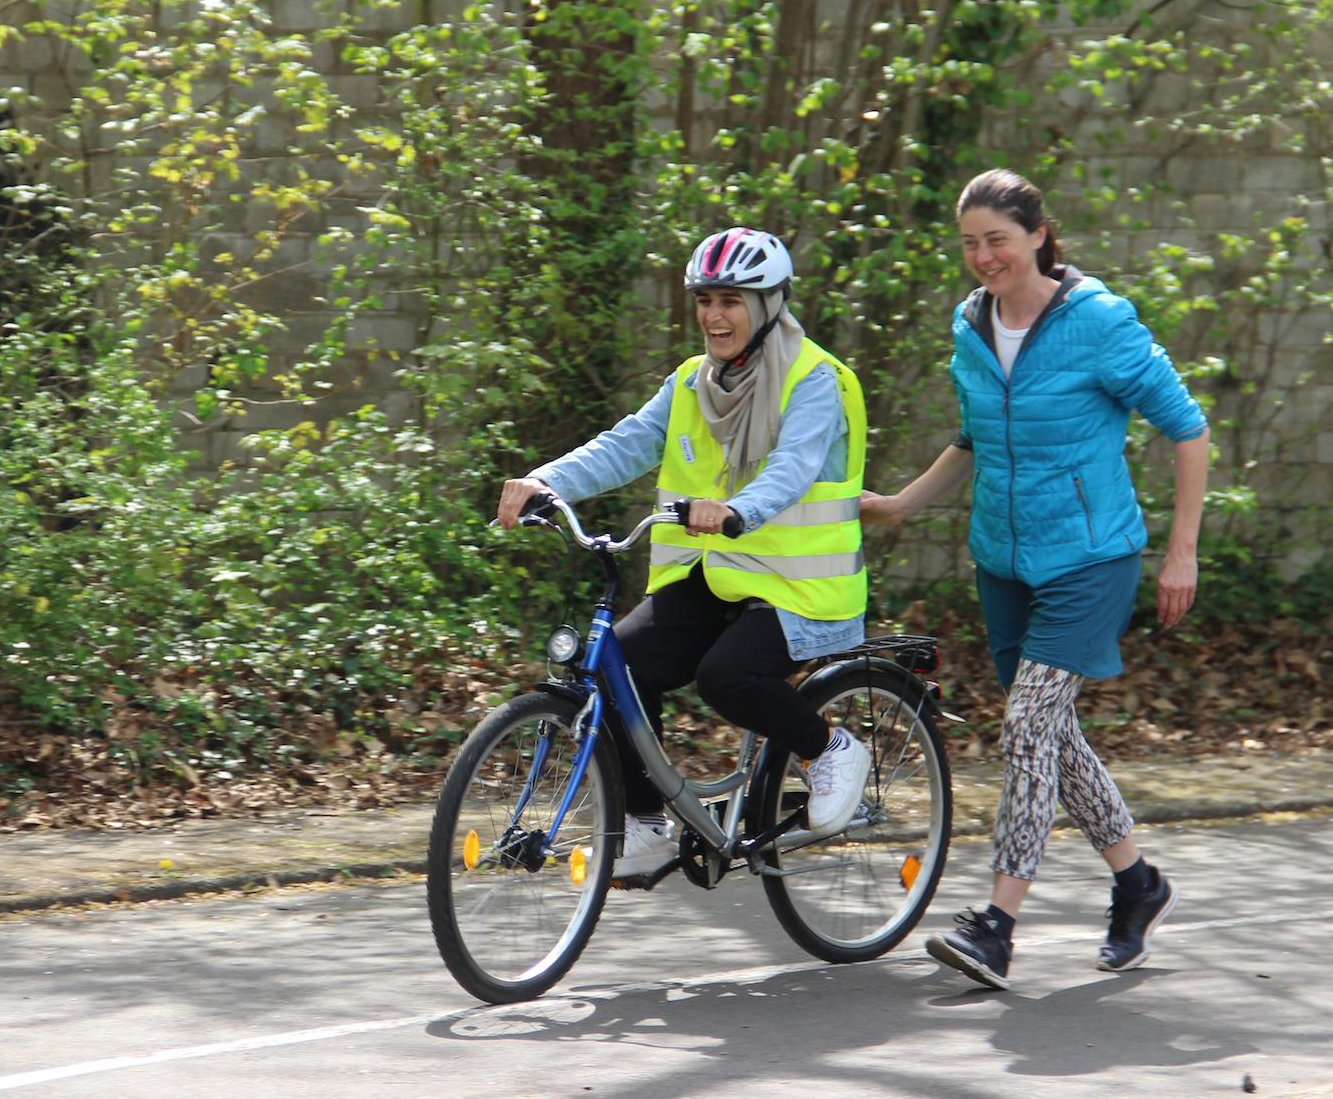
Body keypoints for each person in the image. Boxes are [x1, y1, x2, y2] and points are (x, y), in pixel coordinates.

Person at [862, 169, 1211, 989]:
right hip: (1005, 563)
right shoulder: (970, 322)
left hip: (1090, 559)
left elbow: (1187, 431)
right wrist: (903, 504)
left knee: (1024, 727)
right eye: (971, 243)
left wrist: (1181, 551)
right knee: (1047, 734)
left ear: (1039, 236)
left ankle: (996, 924)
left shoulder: (1099, 322)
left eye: (1000, 240)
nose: (984, 257)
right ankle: (1138, 883)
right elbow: (976, 434)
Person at [495, 227, 873, 880]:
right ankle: (645, 825)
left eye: (731, 300)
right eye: (704, 299)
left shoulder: (816, 381)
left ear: (769, 306)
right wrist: (545, 480)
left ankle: (830, 747)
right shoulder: (690, 383)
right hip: (713, 575)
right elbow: (626, 443)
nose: (713, 314)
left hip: (800, 588)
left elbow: (793, 467)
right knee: (617, 665)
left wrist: (737, 511)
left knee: (726, 676)